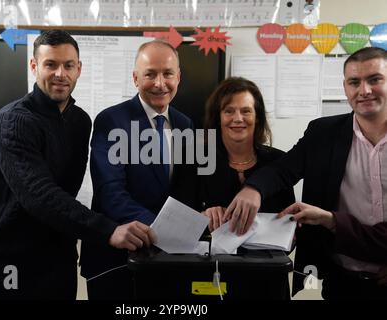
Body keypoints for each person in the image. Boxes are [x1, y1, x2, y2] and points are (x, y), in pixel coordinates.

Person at [0, 30, 154, 300]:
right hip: (10, 268)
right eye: (50, 64)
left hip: (59, 263)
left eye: (68, 65)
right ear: (34, 66)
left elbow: (67, 191)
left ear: (78, 69)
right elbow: (40, 195)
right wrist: (108, 230)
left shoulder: (80, 122)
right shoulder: (13, 122)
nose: (60, 73)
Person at [226, 47, 387, 299]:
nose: (364, 90)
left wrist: (331, 220)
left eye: (375, 80)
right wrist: (253, 189)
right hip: (341, 280)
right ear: (345, 88)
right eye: (354, 82)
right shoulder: (324, 133)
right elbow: (283, 169)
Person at [80, 40, 194, 300]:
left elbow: (184, 190)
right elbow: (111, 193)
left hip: (167, 261)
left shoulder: (185, 124)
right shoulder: (112, 120)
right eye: (150, 74)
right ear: (135, 78)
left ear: (179, 77)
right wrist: (164, 230)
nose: (159, 83)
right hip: (115, 262)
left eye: (167, 74)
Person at [198, 77, 295, 231]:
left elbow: (288, 229)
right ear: (218, 117)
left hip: (266, 255)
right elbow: (177, 222)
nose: (237, 119)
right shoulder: (194, 160)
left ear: (257, 117)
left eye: (246, 111)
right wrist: (202, 217)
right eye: (229, 111)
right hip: (206, 254)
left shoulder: (278, 162)